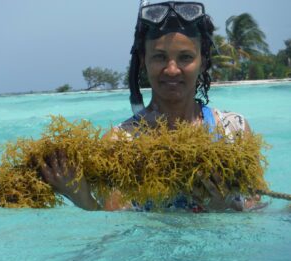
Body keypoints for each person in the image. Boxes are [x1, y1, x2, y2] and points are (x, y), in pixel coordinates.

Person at [40, 1, 261, 212]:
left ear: (203, 62)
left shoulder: (234, 130)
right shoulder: (120, 142)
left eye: (185, 57)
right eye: (159, 57)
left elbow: (256, 214)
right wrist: (82, 198)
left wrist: (223, 207)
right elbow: (116, 230)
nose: (172, 69)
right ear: (144, 61)